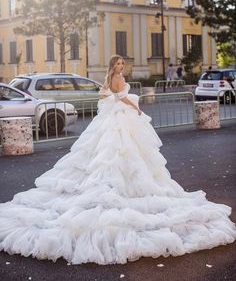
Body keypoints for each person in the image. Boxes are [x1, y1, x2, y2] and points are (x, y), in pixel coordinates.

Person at [0, 55, 235, 265]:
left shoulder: (112, 78)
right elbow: (121, 99)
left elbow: (106, 95)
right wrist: (137, 108)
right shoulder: (117, 79)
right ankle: (122, 186)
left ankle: (121, 183)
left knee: (118, 154)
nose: (121, 66)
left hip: (114, 119)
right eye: (118, 63)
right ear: (113, 65)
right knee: (121, 153)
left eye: (123, 63)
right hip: (121, 118)